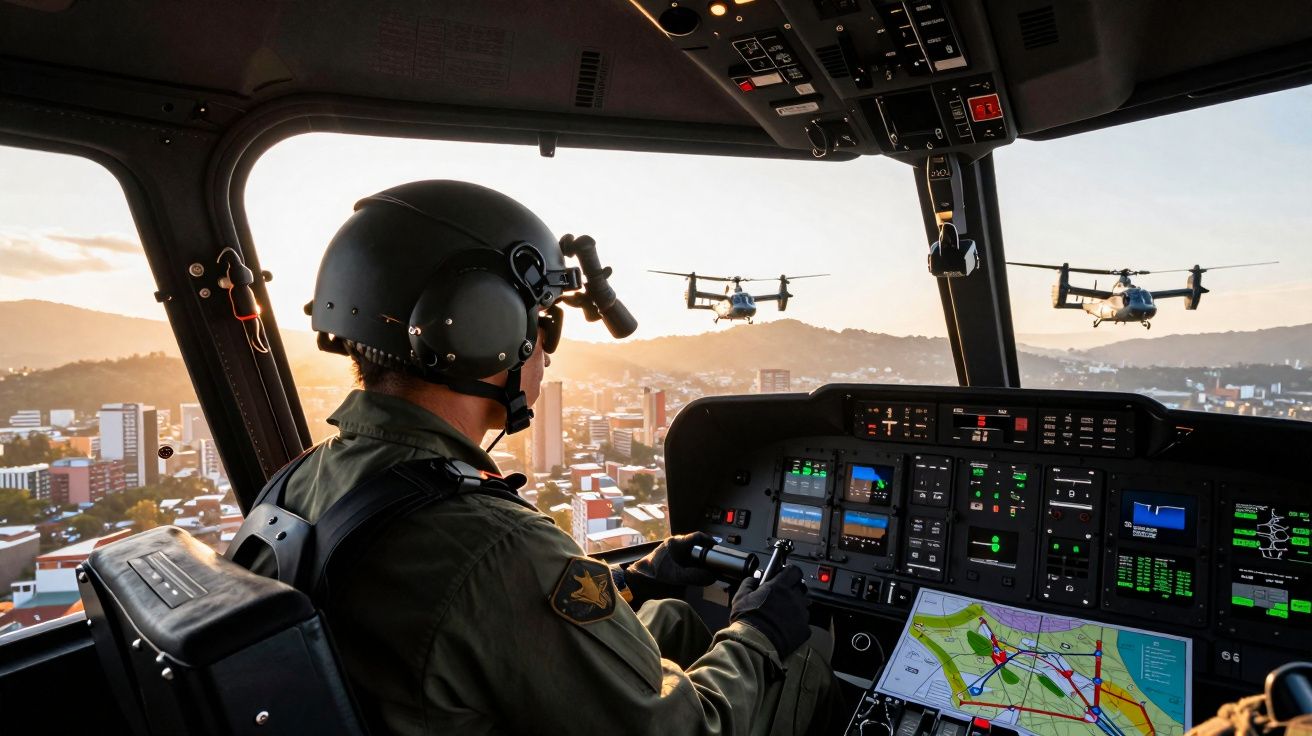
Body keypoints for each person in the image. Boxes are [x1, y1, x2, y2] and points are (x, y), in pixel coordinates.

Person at [275, 179, 836, 735]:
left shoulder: (297, 482)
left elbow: (494, 623)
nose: (545, 348)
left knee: (671, 618)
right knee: (800, 655)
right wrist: (758, 633)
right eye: (542, 324)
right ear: (484, 328)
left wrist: (637, 578)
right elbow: (686, 730)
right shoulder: (493, 545)